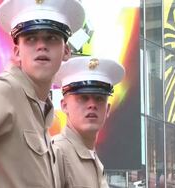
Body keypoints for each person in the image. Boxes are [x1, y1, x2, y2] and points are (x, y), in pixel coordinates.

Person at [0, 0, 85, 187]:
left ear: (66, 51)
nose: (41, 46)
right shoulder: (4, 90)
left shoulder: (44, 111)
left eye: (52, 38)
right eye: (31, 38)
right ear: (17, 52)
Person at [52, 56, 125, 188]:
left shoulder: (94, 160)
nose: (92, 105)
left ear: (107, 109)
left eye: (99, 99)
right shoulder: (55, 153)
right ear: (64, 106)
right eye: (83, 98)